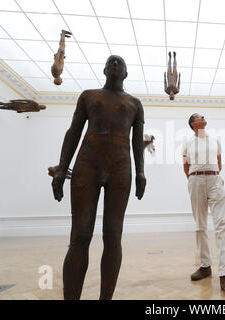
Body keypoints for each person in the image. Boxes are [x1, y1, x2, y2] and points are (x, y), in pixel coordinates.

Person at [51, 55, 146, 300]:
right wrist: (62, 168)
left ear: (125, 73)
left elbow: (137, 142)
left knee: (113, 235)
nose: (115, 64)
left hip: (120, 167)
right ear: (104, 69)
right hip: (88, 164)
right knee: (80, 234)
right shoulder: (89, 96)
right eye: (111, 62)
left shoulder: (134, 103)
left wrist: (141, 173)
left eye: (120, 63)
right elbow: (73, 132)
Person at [182, 113, 225, 297]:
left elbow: (220, 163)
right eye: (199, 117)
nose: (203, 117)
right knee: (200, 226)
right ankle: (205, 266)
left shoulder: (216, 140)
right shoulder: (187, 142)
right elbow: (185, 165)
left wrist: (210, 175)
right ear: (193, 123)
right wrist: (195, 179)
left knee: (221, 225)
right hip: (196, 182)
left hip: (215, 180)